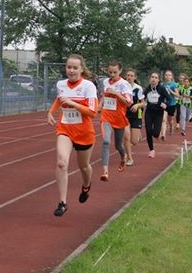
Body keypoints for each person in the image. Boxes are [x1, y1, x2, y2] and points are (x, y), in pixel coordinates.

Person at [46, 54, 97, 217]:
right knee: (61, 163)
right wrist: (50, 112)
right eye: (69, 67)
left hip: (84, 133)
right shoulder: (61, 84)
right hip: (65, 129)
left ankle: (87, 185)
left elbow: (92, 112)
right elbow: (59, 100)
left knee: (84, 167)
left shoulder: (89, 86)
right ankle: (62, 202)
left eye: (75, 68)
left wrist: (74, 103)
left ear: (81, 69)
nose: (71, 70)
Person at [98, 61, 133, 181]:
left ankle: (123, 157)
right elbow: (104, 95)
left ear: (120, 71)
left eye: (115, 72)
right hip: (106, 115)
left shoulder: (124, 84)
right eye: (110, 72)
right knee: (106, 142)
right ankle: (105, 172)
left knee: (118, 145)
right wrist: (100, 104)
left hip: (119, 117)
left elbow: (128, 103)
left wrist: (116, 93)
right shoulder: (105, 82)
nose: (112, 74)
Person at [142, 72, 169, 158]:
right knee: (148, 131)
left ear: (158, 80)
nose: (153, 79)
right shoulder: (147, 89)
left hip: (158, 113)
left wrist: (165, 104)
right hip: (149, 112)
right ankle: (151, 150)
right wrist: (142, 103)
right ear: (150, 79)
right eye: (152, 77)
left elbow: (169, 99)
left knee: (156, 134)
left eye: (155, 77)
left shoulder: (162, 89)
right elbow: (141, 98)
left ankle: (158, 133)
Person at [123, 69, 144, 167]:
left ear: (135, 77)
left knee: (134, 141)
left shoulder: (138, 88)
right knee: (126, 137)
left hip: (136, 115)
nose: (129, 77)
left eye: (131, 75)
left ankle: (137, 134)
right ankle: (129, 158)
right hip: (124, 115)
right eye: (128, 75)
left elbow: (143, 103)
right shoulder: (122, 87)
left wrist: (137, 106)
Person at [160, 70, 180, 141]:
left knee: (170, 119)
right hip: (164, 104)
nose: (167, 76)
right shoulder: (162, 85)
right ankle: (163, 134)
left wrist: (170, 91)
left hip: (172, 104)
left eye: (169, 75)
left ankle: (171, 126)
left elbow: (178, 95)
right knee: (163, 119)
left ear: (171, 77)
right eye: (166, 75)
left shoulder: (174, 84)